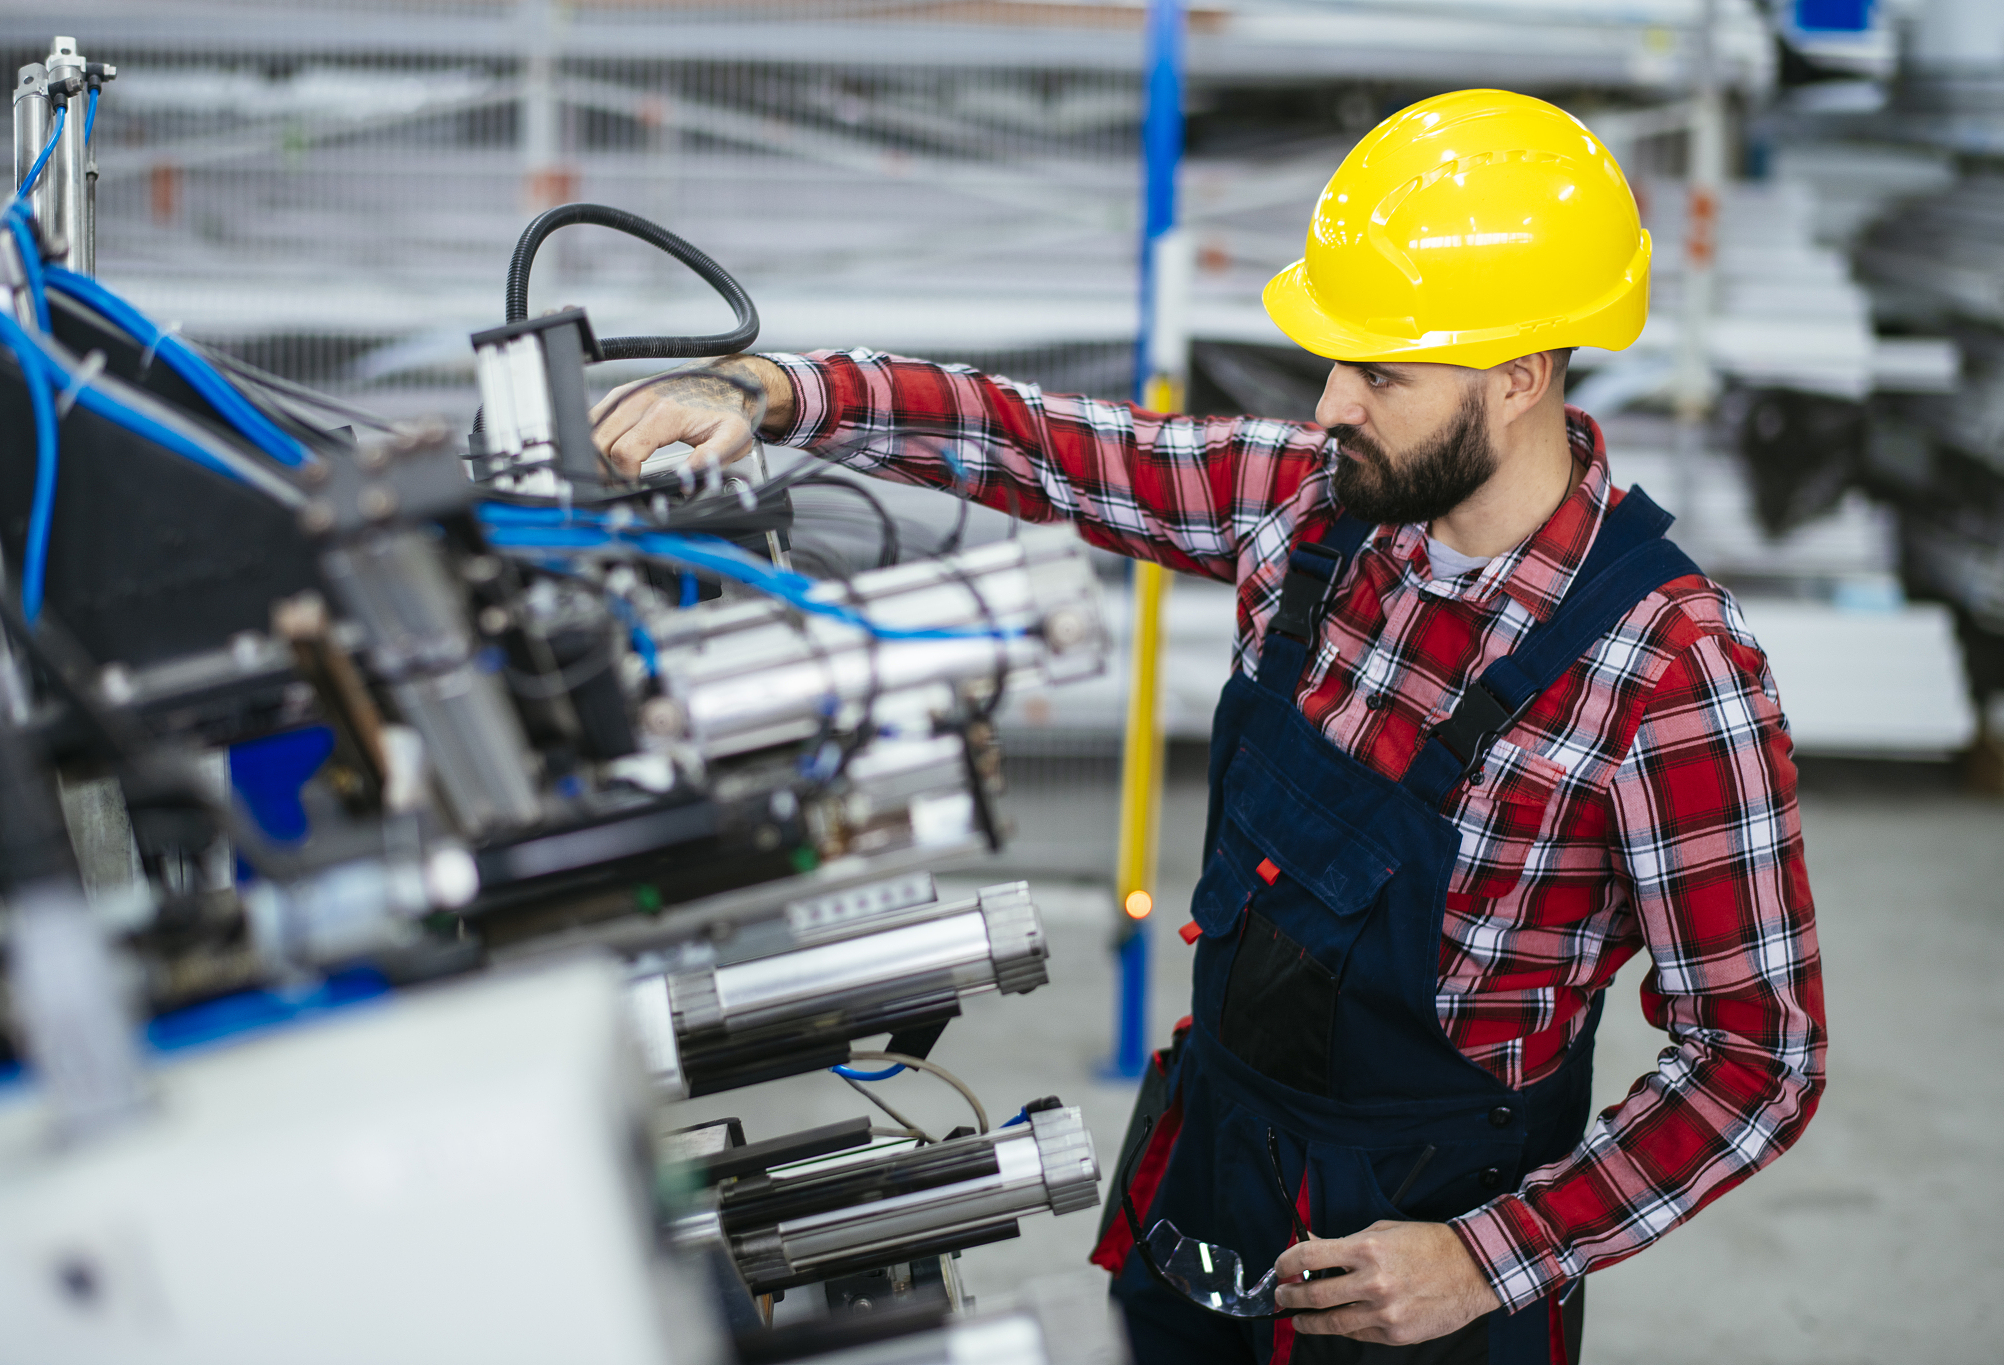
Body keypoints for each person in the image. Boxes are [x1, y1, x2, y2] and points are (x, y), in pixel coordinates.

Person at [592, 89, 1826, 1365]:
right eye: (1334, 360)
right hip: (1209, 1178)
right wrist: (779, 391)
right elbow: (1049, 445)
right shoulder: (1314, 513)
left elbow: (1755, 1060)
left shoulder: (1672, 676)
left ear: (1518, 376)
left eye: (1380, 372)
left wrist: (1485, 1257)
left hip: (1419, 1280)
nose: (1332, 404)